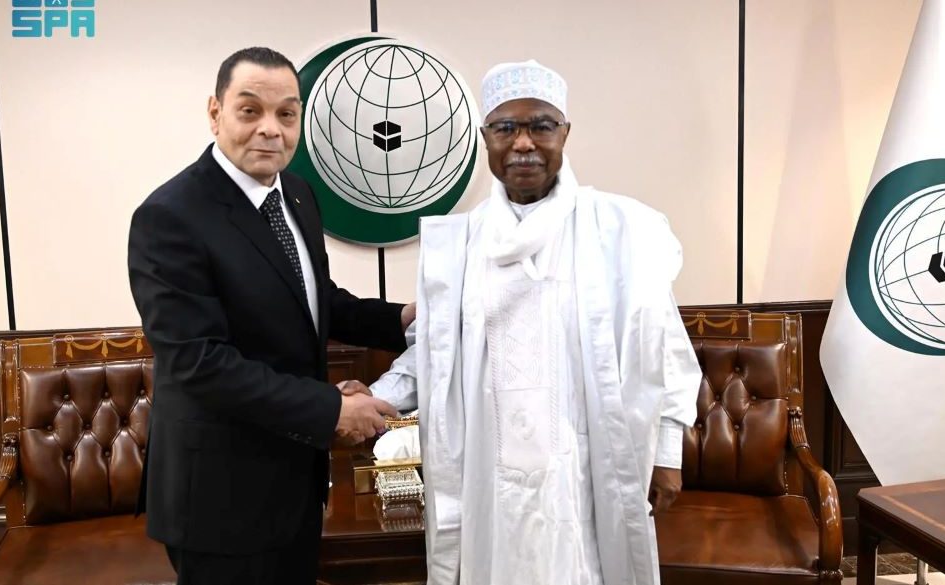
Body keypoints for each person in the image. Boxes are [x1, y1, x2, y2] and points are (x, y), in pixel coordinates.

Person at [369, 60, 701, 585]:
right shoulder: (459, 246)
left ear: (564, 133)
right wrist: (370, 399)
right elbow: (431, 354)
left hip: (582, 471)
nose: (523, 142)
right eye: (506, 127)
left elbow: (665, 349)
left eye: (541, 126)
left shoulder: (621, 230)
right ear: (486, 138)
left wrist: (666, 453)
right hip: (488, 475)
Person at [127, 46, 412, 585]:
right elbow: (200, 364)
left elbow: (315, 300)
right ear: (215, 113)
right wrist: (331, 408)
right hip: (219, 500)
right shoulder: (170, 216)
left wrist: (404, 318)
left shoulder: (297, 195)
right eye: (250, 110)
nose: (271, 130)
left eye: (286, 114)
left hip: (295, 481)